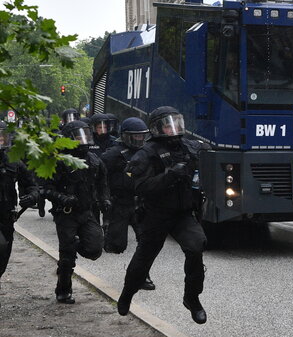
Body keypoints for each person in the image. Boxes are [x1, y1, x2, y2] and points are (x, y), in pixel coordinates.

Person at [116, 106, 208, 324]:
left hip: (183, 213)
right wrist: (169, 176)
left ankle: (192, 298)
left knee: (196, 246)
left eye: (176, 123)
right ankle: (127, 293)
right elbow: (140, 187)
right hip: (156, 214)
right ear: (157, 128)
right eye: (168, 124)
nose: (173, 128)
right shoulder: (146, 153)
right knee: (144, 258)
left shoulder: (189, 146)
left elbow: (209, 153)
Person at [43, 121, 109, 304]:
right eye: (78, 136)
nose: (83, 140)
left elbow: (103, 183)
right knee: (66, 258)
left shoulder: (94, 160)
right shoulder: (58, 161)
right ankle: (63, 290)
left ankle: (78, 244)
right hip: (66, 214)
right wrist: (62, 198)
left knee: (95, 248)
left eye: (85, 135)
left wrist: (104, 199)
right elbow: (45, 189)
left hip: (86, 213)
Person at [100, 117, 155, 290]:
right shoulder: (113, 154)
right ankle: (106, 234)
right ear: (125, 136)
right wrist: (104, 196)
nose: (139, 140)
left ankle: (142, 276)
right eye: (135, 136)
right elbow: (99, 174)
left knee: (146, 243)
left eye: (141, 136)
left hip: (141, 204)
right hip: (120, 204)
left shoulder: (148, 152)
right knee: (116, 246)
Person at [0, 121, 39, 295]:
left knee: (3, 256)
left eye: (3, 136)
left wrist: (31, 197)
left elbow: (33, 185)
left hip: (6, 217)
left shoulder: (14, 161)